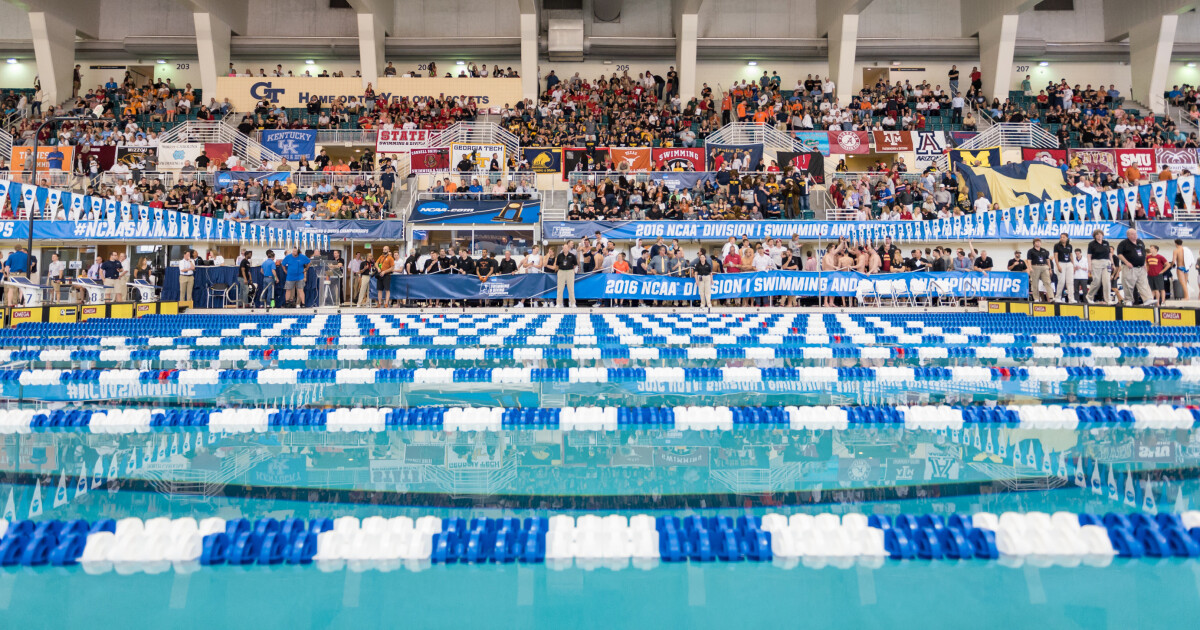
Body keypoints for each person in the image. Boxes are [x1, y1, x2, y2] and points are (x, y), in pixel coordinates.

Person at [1116, 228, 1156, 306]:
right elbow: (1119, 254)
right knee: (1128, 284)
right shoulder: (1123, 243)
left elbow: (1143, 254)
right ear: (1128, 235)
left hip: (1140, 268)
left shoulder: (1140, 242)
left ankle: (1147, 299)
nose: (1135, 235)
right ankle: (1128, 300)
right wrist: (1127, 262)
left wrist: (1144, 263)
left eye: (1136, 233)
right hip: (1130, 268)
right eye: (1133, 234)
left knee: (1144, 284)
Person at [1085, 229, 1113, 304]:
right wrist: (1089, 266)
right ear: (1094, 236)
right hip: (1096, 262)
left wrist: (1112, 263)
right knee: (1097, 282)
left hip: (1106, 263)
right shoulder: (1092, 244)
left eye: (1100, 234)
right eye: (1097, 234)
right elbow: (1089, 256)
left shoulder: (1106, 243)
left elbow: (1110, 254)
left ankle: (1108, 299)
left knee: (1107, 282)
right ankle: (1089, 296)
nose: (1099, 235)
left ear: (1103, 235)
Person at [554, 241, 578, 308]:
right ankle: (559, 303)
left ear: (568, 248)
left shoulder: (572, 255)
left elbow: (575, 265)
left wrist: (570, 269)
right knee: (560, 288)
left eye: (566, 248)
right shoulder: (559, 255)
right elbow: (557, 265)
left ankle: (572, 303)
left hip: (570, 272)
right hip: (561, 271)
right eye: (563, 248)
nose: (564, 249)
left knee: (571, 288)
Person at [1052, 233, 1074, 303]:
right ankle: (1058, 297)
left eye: (1064, 237)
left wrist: (1073, 265)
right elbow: (1055, 256)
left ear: (1067, 238)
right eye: (1061, 237)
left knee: (1070, 282)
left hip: (1069, 264)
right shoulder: (1057, 246)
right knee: (1061, 281)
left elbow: (1071, 255)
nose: (1062, 238)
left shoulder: (1069, 246)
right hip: (1061, 263)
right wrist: (1058, 265)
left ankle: (1071, 298)